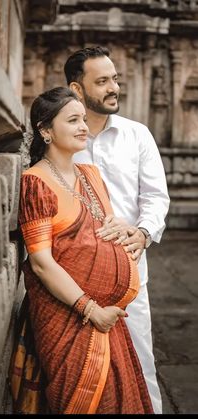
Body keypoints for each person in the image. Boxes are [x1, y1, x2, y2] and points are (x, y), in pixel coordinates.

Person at [9, 86, 154, 414]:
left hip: (110, 315)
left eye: (84, 120)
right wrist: (91, 310)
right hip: (72, 317)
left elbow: (107, 225)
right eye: (73, 120)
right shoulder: (35, 182)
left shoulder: (90, 175)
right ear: (46, 131)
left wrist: (127, 231)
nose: (84, 127)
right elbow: (42, 262)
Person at [64, 46, 170, 414]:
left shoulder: (137, 135)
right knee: (77, 373)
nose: (114, 88)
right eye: (103, 81)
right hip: (73, 279)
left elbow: (156, 197)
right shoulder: (60, 140)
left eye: (116, 79)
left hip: (129, 272)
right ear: (77, 90)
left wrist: (142, 233)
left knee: (141, 365)